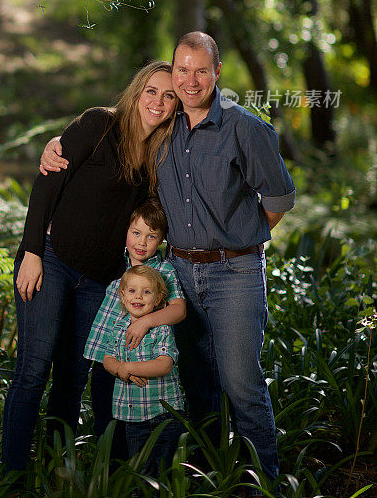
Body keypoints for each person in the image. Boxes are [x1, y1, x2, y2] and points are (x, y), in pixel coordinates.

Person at [40, 31, 296, 487]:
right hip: (176, 270)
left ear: (217, 72)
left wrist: (238, 240)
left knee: (241, 383)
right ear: (173, 73)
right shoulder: (165, 127)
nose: (190, 81)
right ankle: (204, 474)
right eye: (182, 70)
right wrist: (58, 144)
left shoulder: (246, 128)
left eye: (201, 70)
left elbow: (277, 199)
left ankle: (264, 483)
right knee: (195, 380)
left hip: (233, 271)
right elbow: (117, 132)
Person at [2, 60, 178, 475]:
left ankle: (52, 471)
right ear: (137, 91)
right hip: (52, 260)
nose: (158, 101)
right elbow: (48, 181)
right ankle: (11, 476)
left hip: (101, 282)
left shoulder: (159, 155)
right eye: (152, 91)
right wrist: (31, 252)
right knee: (33, 370)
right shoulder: (99, 125)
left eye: (168, 96)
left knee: (72, 377)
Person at [85, 197, 186, 444]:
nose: (141, 242)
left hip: (140, 362)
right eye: (136, 233)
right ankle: (111, 477)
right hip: (107, 359)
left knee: (133, 429)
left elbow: (179, 311)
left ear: (162, 240)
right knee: (105, 423)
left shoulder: (164, 271)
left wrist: (144, 322)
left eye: (151, 236)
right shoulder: (115, 264)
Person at [103, 265, 185, 476]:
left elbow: (164, 364)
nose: (138, 297)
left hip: (162, 413)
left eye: (146, 292)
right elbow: (108, 358)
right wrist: (121, 369)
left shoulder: (161, 328)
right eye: (132, 291)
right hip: (132, 416)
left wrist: (130, 367)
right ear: (122, 296)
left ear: (158, 299)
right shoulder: (119, 327)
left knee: (161, 471)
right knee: (140, 470)